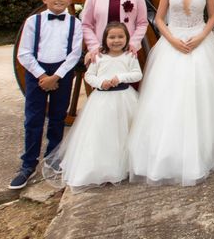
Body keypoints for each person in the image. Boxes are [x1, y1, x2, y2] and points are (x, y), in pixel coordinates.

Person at [128, 0, 214, 185]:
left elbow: (213, 16)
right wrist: (172, 40)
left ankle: (202, 150)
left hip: (199, 42)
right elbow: (160, 19)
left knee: (200, 94)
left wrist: (201, 37)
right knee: (168, 96)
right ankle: (167, 153)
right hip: (172, 43)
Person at [43, 22, 141, 191]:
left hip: (125, 98)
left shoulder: (130, 56)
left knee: (125, 131)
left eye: (120, 37)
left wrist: (121, 77)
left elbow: (137, 74)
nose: (116, 41)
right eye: (112, 37)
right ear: (105, 39)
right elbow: (89, 76)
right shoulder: (99, 57)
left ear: (126, 39)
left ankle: (125, 166)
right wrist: (101, 83)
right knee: (102, 133)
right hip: (102, 100)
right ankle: (103, 167)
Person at [10, 0, 83, 190]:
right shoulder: (34, 21)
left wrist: (56, 76)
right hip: (37, 74)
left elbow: (75, 54)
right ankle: (28, 164)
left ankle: (53, 157)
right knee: (33, 118)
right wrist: (42, 75)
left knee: (58, 117)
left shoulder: (75, 24)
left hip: (62, 74)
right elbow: (24, 52)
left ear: (70, 0)